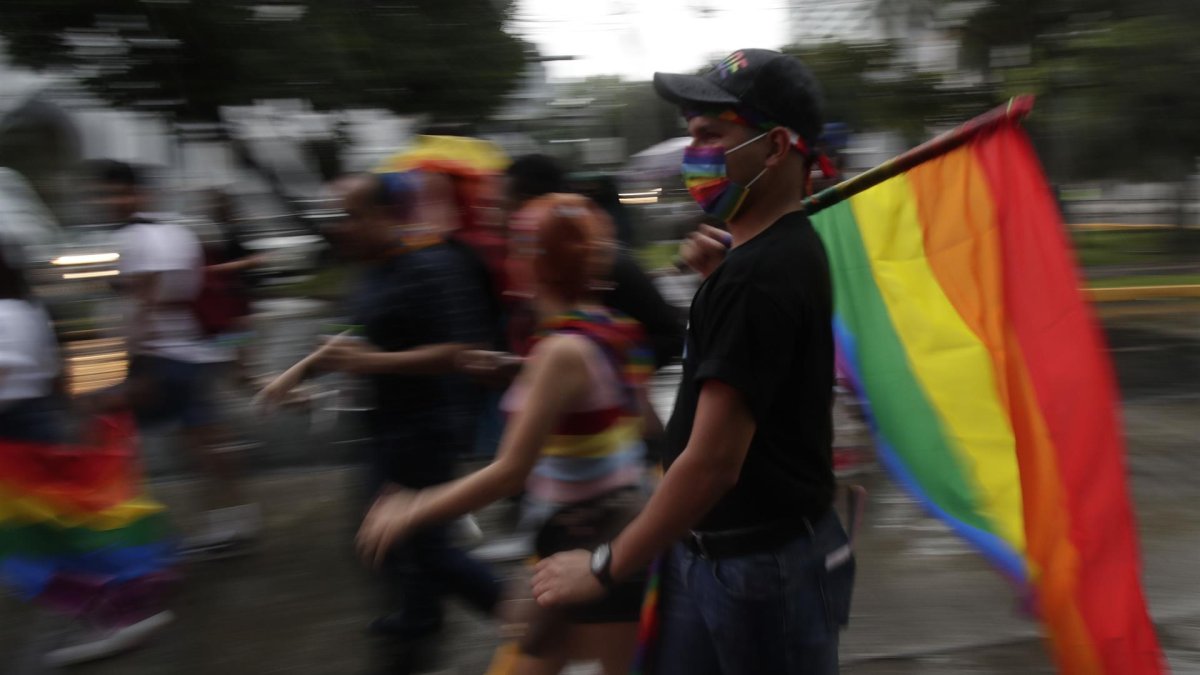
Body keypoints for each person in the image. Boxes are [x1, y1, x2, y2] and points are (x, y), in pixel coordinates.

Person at [530, 49, 855, 674]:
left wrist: (604, 566)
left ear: (776, 146)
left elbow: (711, 466)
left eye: (712, 134)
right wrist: (721, 279)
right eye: (691, 135)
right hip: (722, 554)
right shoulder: (769, 256)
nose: (693, 153)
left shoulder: (757, 277)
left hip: (754, 573)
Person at [358, 193, 651, 675]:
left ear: (534, 265)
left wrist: (412, 508)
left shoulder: (558, 353)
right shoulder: (615, 330)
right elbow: (631, 420)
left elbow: (509, 472)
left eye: (516, 249)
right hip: (576, 542)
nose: (508, 260)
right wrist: (522, 373)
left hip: (596, 546)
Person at [258, 170, 502, 648]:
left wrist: (371, 363)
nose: (338, 227)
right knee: (383, 536)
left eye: (349, 216)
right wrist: (297, 376)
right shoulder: (374, 266)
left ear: (386, 215)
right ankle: (419, 615)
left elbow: (462, 350)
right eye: (335, 216)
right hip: (387, 424)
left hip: (427, 427)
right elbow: (357, 338)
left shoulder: (431, 266)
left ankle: (518, 613)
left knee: (425, 546)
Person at [0, 240, 175, 667]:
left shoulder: (7, 313)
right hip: (28, 427)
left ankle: (108, 609)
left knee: (38, 540)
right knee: (54, 531)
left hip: (15, 434)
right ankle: (109, 606)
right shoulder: (26, 308)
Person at [95, 160, 260, 557]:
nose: (111, 201)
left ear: (141, 194)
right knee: (205, 441)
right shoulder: (178, 232)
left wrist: (137, 360)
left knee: (106, 430)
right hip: (192, 351)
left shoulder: (135, 239)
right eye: (105, 193)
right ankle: (232, 520)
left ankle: (132, 531)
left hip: (161, 357)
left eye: (119, 192)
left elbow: (145, 299)